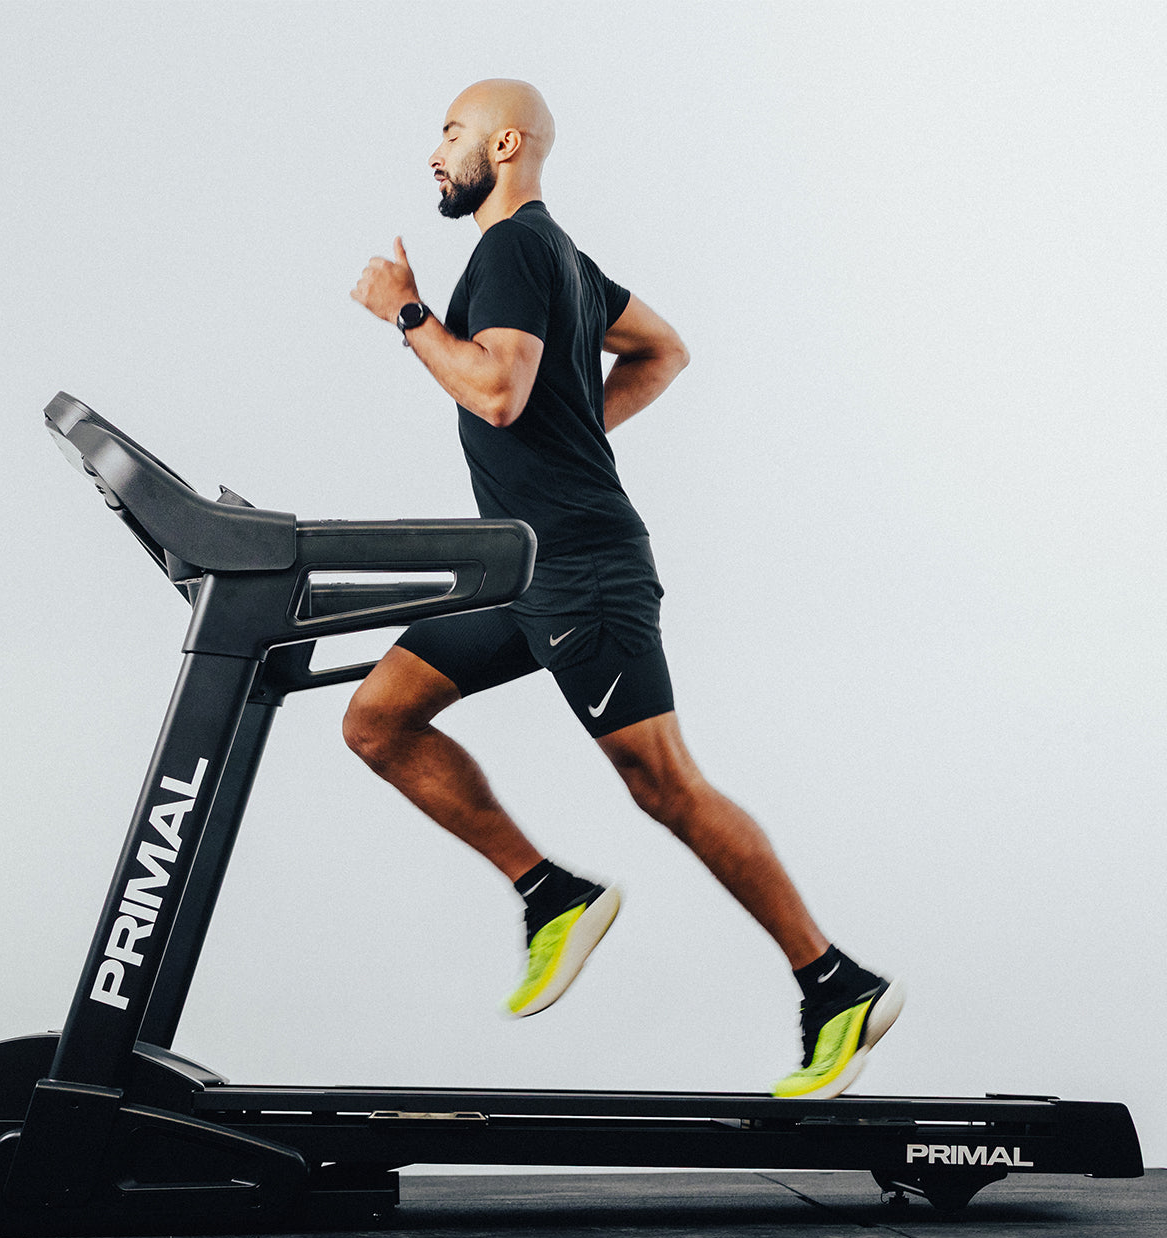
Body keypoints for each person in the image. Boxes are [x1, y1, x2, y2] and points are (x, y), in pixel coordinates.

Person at [349, 79, 902, 1099]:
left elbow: (496, 392)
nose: (434, 151)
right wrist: (574, 428)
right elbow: (663, 348)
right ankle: (551, 893)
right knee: (380, 721)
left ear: (504, 144)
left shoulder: (513, 250)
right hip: (520, 566)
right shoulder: (558, 255)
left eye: (452, 132)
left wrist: (406, 312)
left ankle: (836, 984)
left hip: (582, 566)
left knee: (663, 785)